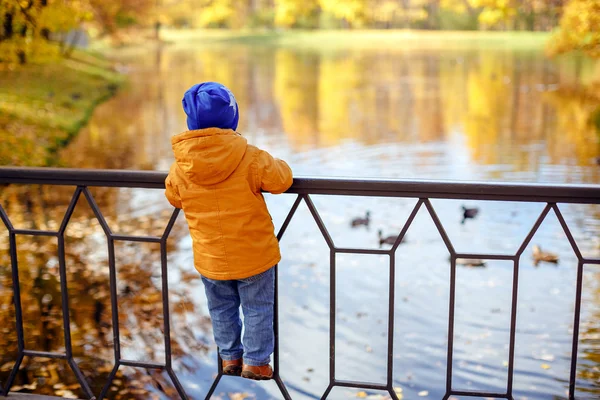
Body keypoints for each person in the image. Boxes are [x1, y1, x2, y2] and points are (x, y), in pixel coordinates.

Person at [164, 82, 293, 380]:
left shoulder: (182, 165)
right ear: (231, 118)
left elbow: (174, 197)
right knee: (258, 307)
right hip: (253, 255)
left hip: (211, 257)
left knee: (221, 308)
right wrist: (281, 163)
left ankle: (229, 358)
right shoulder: (250, 156)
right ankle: (257, 362)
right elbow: (281, 180)